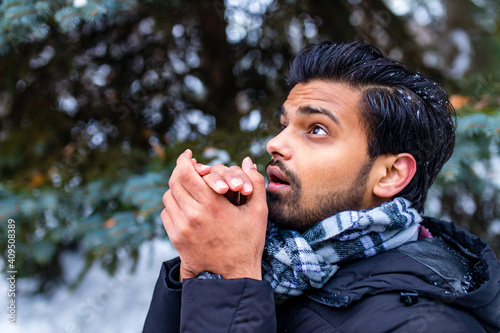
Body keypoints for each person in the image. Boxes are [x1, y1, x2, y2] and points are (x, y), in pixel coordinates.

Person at [143, 40, 500, 332]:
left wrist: (231, 281)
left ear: (390, 174)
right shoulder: (279, 272)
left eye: (316, 129)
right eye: (284, 124)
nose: (275, 144)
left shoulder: (426, 327)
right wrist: (201, 269)